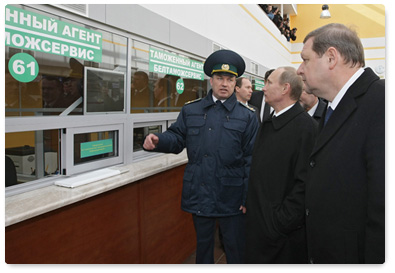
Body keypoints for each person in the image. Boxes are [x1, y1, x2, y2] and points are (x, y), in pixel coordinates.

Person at [143, 49, 259, 264]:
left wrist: (246, 198)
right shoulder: (192, 110)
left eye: (230, 79)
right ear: (211, 80)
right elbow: (177, 138)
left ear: (235, 83)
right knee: (203, 249)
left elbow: (251, 160)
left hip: (232, 195)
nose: (224, 83)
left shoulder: (248, 117)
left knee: (235, 249)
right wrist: (159, 141)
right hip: (201, 189)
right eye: (219, 78)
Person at [297, 23, 384, 264]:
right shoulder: (333, 106)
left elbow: (384, 211)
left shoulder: (382, 103)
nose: (299, 70)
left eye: (305, 59)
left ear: (331, 58)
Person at [245, 66, 317, 263]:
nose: (263, 88)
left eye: (269, 83)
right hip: (259, 227)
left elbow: (304, 184)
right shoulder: (269, 122)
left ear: (285, 88)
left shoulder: (306, 128)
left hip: (281, 237)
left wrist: (279, 223)